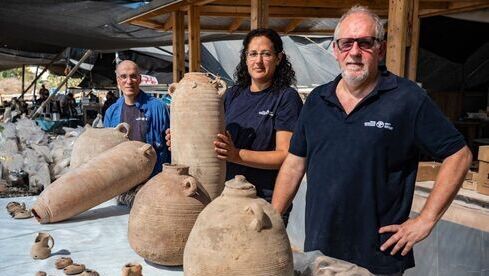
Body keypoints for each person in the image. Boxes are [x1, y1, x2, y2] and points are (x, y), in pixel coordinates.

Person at [271, 6, 472, 275]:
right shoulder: (317, 100)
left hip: (378, 256)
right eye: (346, 43)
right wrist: (273, 218)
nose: (354, 52)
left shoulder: (407, 99)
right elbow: (295, 163)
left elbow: (459, 155)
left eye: (365, 43)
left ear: (380, 49)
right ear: (335, 50)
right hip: (320, 251)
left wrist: (426, 219)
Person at [167, 28, 303, 224]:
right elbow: (210, 138)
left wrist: (236, 155)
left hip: (263, 200)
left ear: (278, 58)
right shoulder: (232, 95)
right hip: (225, 196)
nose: (258, 61)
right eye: (253, 54)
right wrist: (183, 139)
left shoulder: (286, 97)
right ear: (245, 58)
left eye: (266, 54)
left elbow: (285, 156)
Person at [104, 60, 170, 206]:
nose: (129, 81)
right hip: (123, 184)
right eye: (124, 76)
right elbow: (107, 153)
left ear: (140, 79)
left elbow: (171, 146)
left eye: (133, 76)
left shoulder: (158, 108)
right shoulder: (112, 112)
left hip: (153, 182)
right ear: (118, 80)